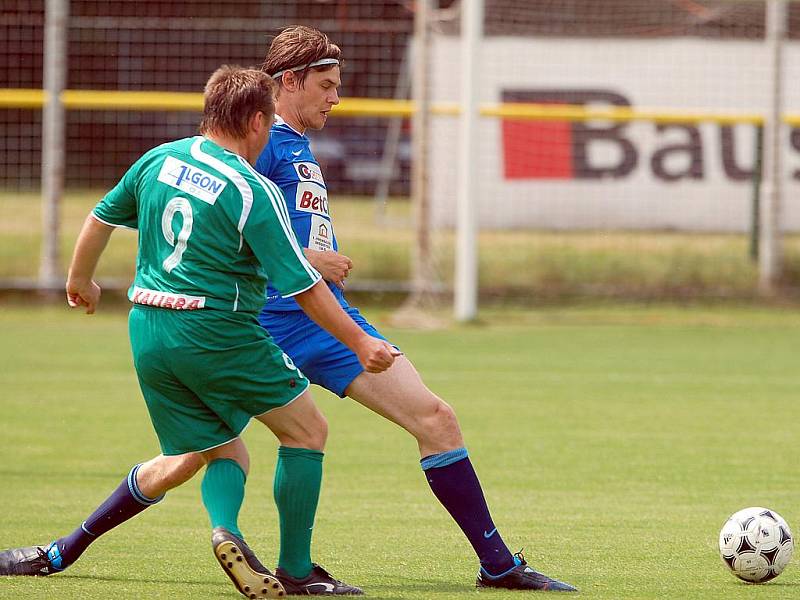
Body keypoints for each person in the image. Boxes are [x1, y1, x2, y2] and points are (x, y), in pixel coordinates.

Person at [1, 27, 577, 595]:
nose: (336, 96)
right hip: (270, 319)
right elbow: (226, 223)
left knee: (432, 420)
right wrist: (309, 259)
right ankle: (71, 550)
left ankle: (497, 565)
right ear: (287, 83)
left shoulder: (292, 144)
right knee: (203, 455)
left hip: (314, 317)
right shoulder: (260, 138)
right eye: (326, 84)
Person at [0, 65, 398, 600]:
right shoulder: (252, 189)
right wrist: (361, 341)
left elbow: (100, 217)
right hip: (216, 332)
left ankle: (119, 544)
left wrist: (81, 281)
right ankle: (297, 572)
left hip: (147, 330)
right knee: (307, 431)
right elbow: (302, 287)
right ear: (258, 120)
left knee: (208, 453)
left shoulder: (158, 160)